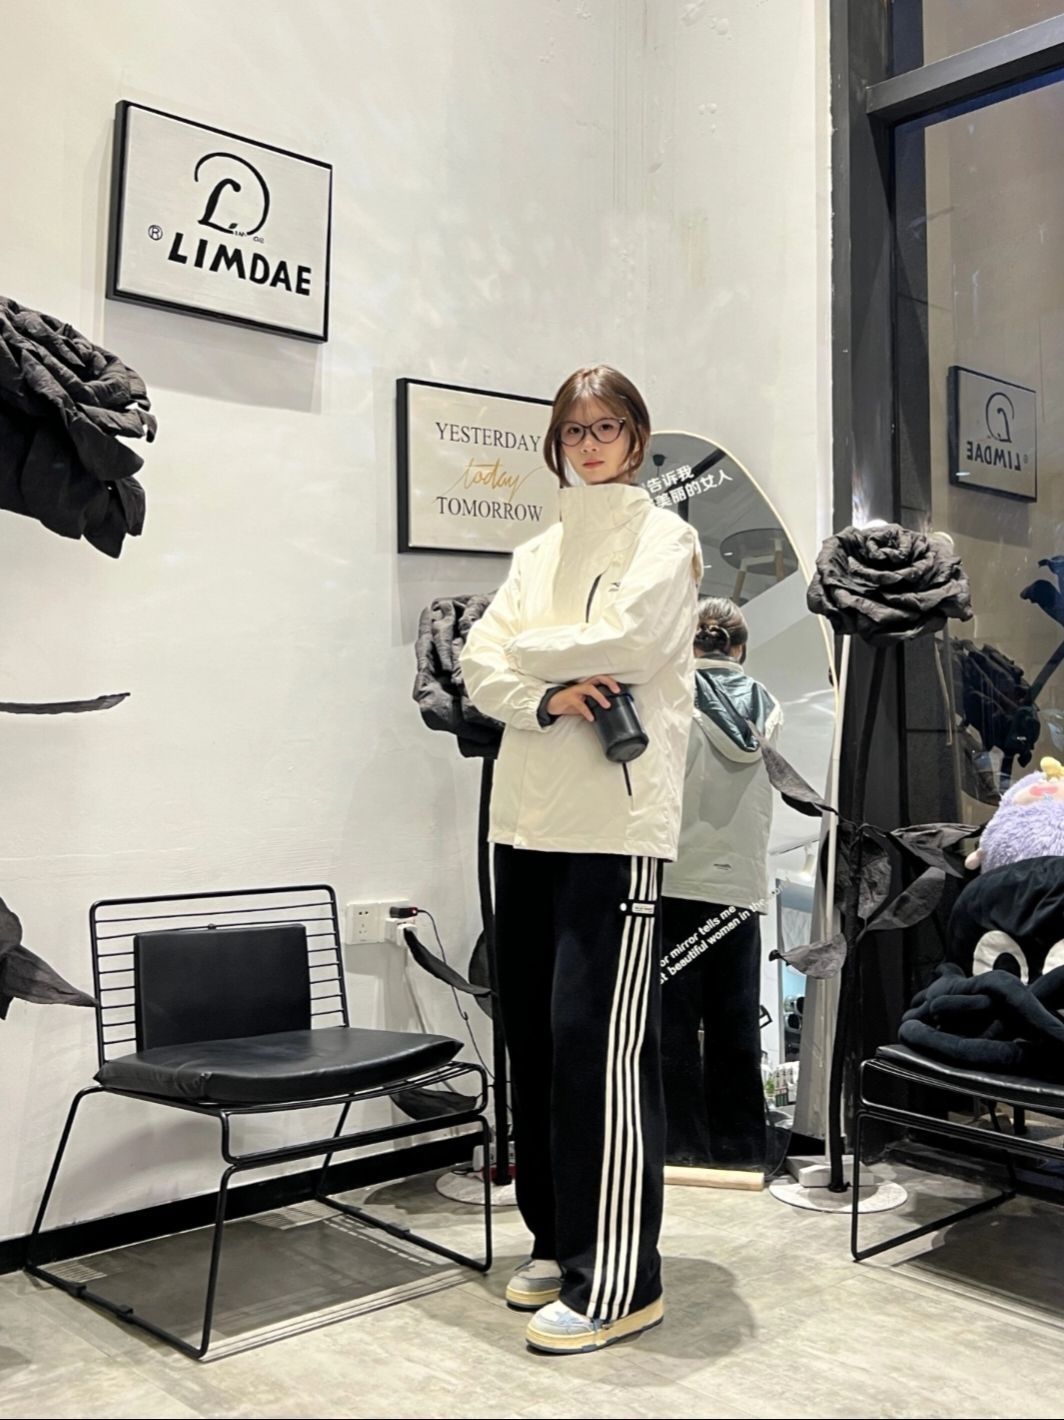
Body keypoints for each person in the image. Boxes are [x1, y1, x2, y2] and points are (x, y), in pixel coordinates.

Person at [460, 365, 701, 1355]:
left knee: (599, 1049)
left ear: (636, 437)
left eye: (607, 427)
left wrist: (525, 652)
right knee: (534, 1040)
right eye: (574, 430)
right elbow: (477, 662)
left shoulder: (666, 541)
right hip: (522, 821)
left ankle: (621, 1279)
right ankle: (559, 1242)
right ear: (556, 443)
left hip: (612, 826)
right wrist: (542, 692)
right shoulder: (535, 551)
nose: (590, 444)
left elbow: (630, 643)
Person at [659, 598, 782, 1171]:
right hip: (741, 888)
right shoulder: (769, 706)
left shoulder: (671, 696)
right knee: (735, 1023)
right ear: (740, 648)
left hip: (676, 881)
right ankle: (743, 1151)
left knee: (674, 1026)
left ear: (690, 643)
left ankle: (681, 1149)